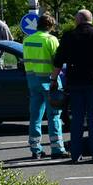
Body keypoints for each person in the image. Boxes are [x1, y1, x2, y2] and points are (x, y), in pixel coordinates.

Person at [50, 9, 93, 164]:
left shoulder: (68, 36)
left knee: (77, 119)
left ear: (77, 20)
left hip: (75, 82)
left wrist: (53, 79)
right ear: (91, 19)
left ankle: (75, 154)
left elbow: (58, 61)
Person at [22, 13, 67, 159]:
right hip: (49, 81)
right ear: (50, 26)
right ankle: (57, 149)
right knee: (53, 115)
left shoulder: (27, 40)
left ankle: (35, 149)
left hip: (33, 81)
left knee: (35, 116)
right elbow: (58, 61)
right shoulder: (51, 40)